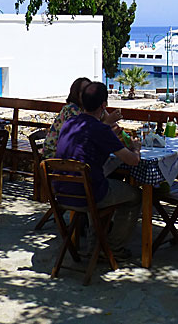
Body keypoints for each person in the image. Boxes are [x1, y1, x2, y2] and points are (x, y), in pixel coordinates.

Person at [55, 82, 141, 259]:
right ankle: (114, 248)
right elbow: (132, 161)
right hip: (88, 196)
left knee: (99, 185)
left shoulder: (69, 124)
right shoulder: (100, 129)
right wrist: (136, 148)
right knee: (135, 196)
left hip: (62, 193)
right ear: (103, 105)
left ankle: (95, 247)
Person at [44, 77, 122, 159]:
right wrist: (108, 122)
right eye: (84, 90)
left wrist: (101, 105)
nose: (87, 93)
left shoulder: (91, 109)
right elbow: (85, 135)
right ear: (76, 93)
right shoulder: (72, 110)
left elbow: (111, 127)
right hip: (56, 157)